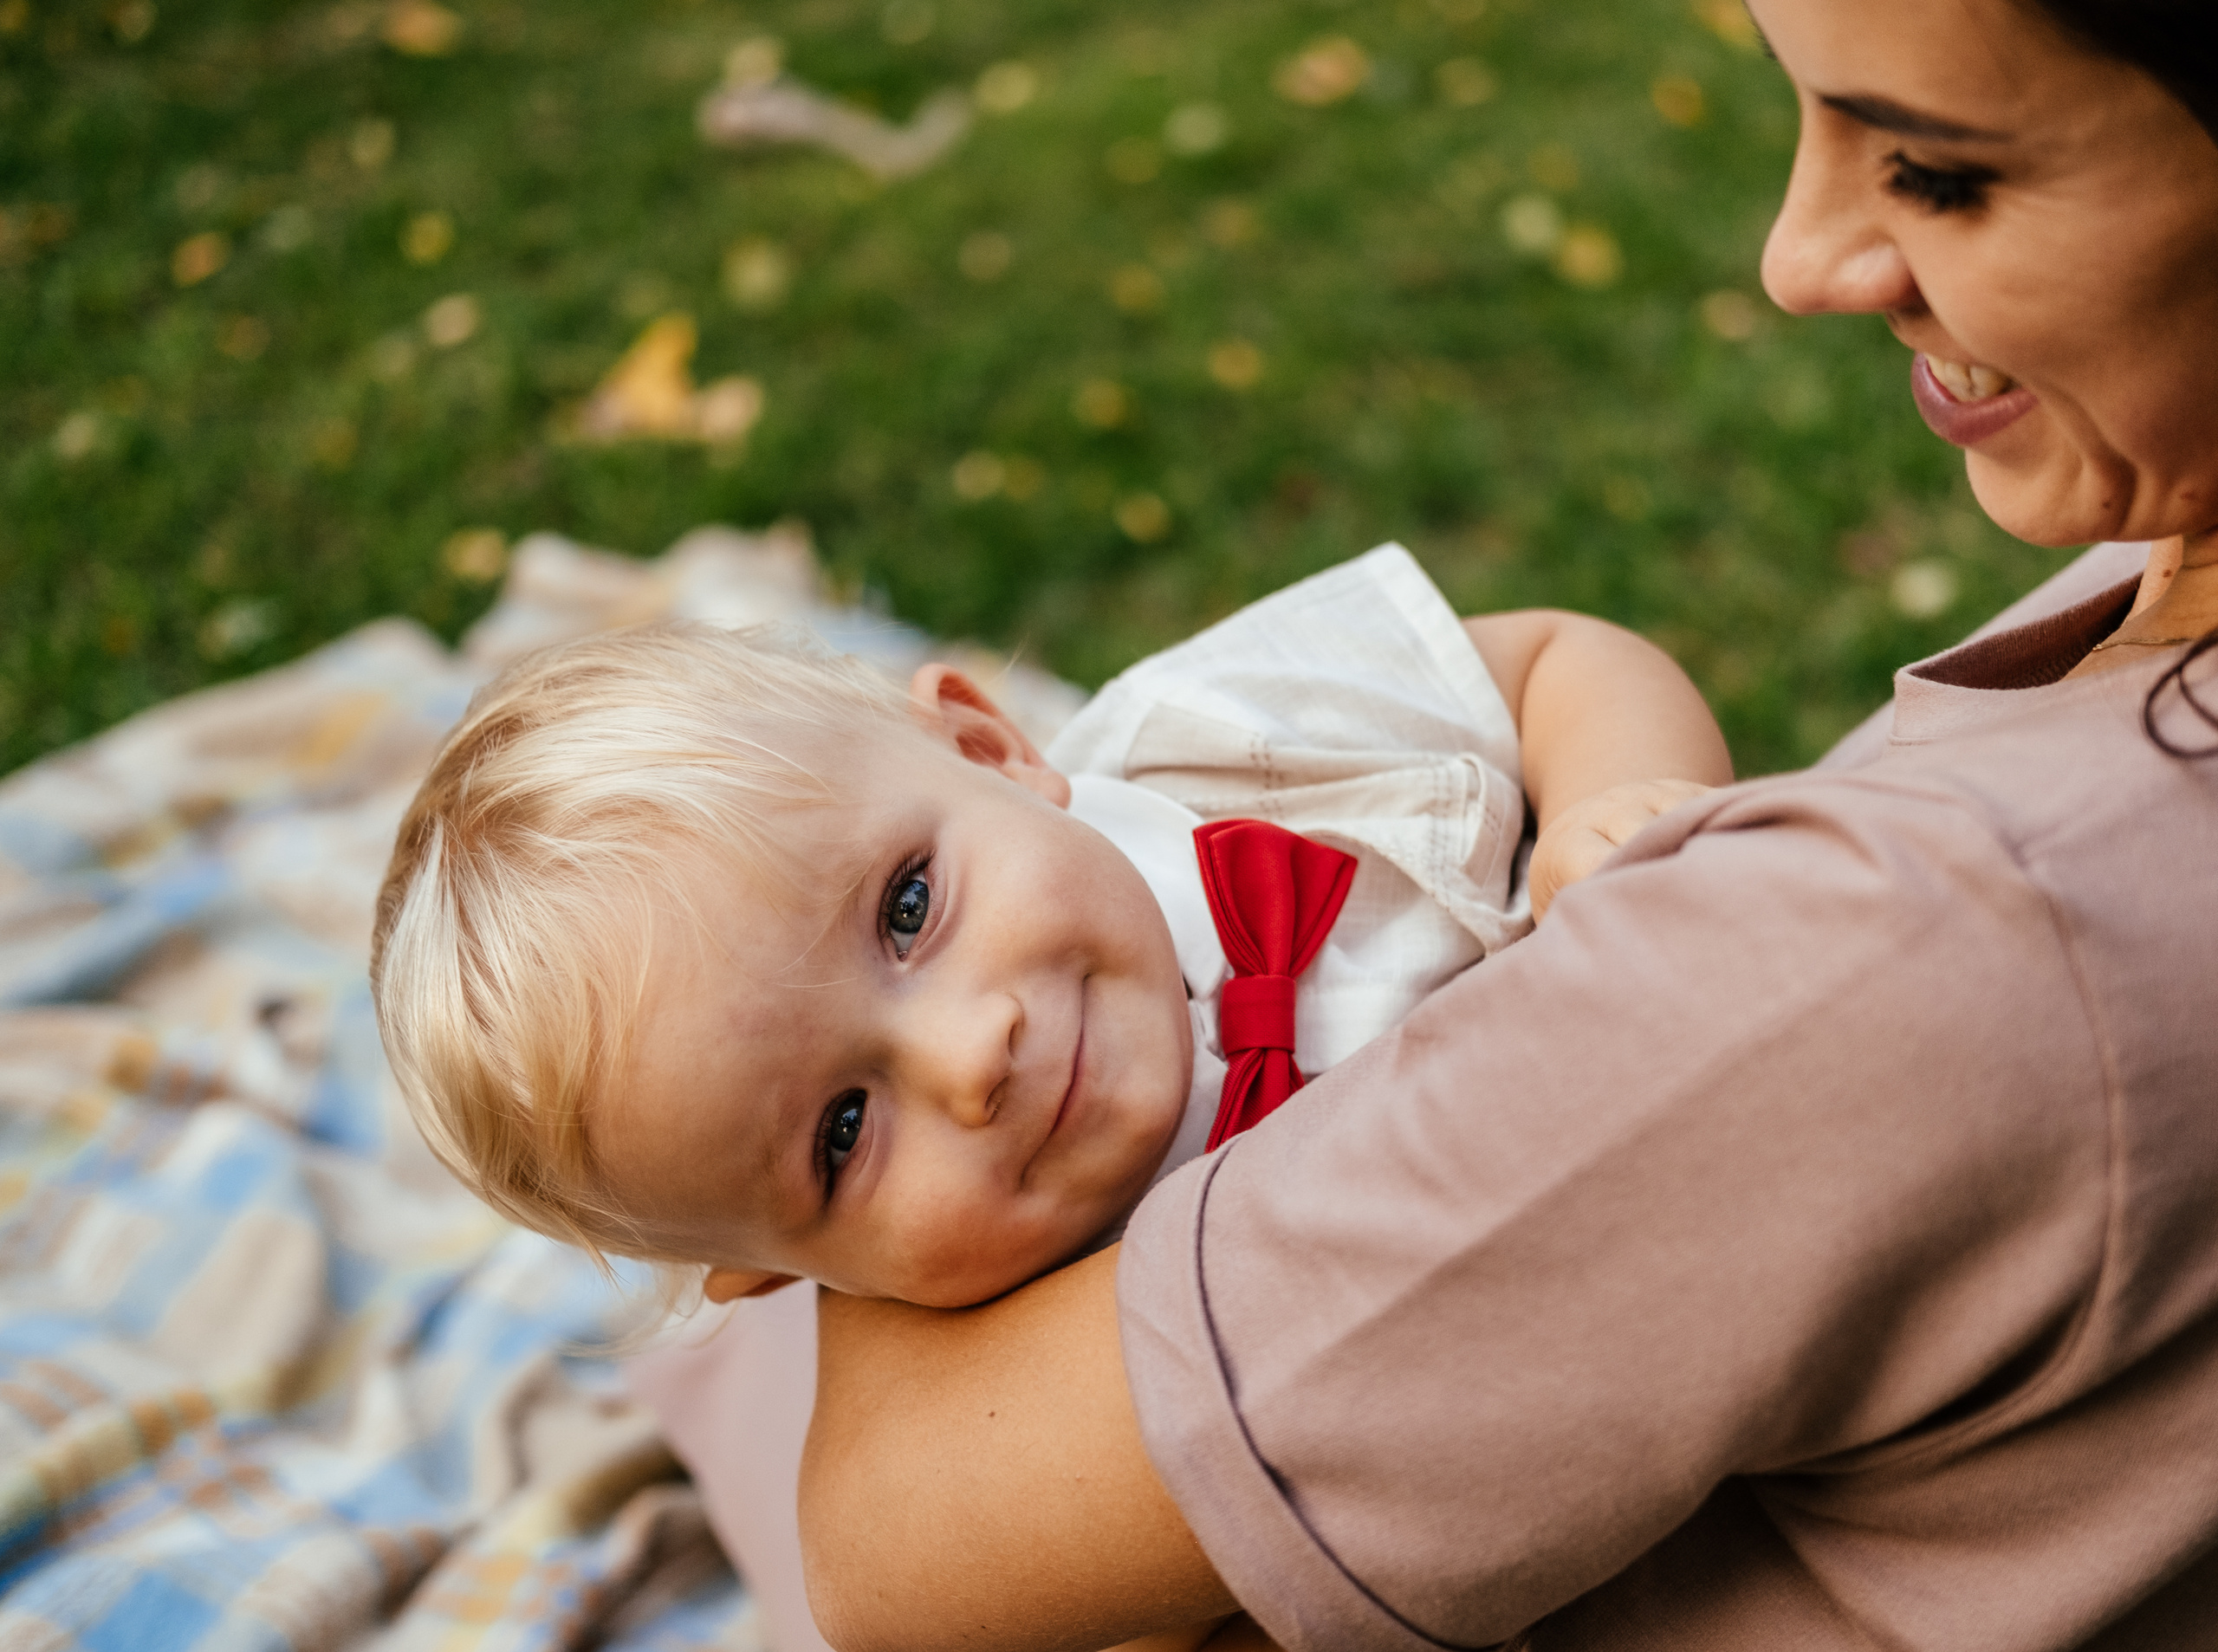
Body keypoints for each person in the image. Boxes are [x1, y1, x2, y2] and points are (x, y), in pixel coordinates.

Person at [793, 0, 2218, 1648]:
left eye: (1937, 170)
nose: (1798, 256)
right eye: (1804, 113)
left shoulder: (1899, 962)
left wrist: (794, 1183)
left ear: (990, 747)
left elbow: (892, 1554)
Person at [369, 547, 1731, 1649]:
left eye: (909, 908)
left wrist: (1618, 811)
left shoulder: (1228, 735)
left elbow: (1553, 660)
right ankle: (710, 1412)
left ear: (987, 746)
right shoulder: (1008, 1387)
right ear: (768, 1268)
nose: (971, 1057)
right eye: (843, 1132)